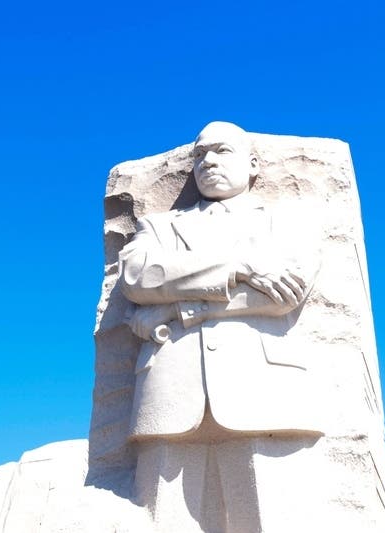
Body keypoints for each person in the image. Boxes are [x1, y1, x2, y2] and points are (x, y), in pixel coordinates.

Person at [118, 121, 325, 532]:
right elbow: (138, 277)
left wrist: (181, 310)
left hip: (264, 388)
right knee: (162, 520)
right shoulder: (159, 227)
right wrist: (238, 265)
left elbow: (284, 294)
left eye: (222, 151)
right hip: (169, 390)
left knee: (270, 521)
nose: (207, 161)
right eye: (199, 155)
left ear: (253, 165)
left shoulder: (286, 220)